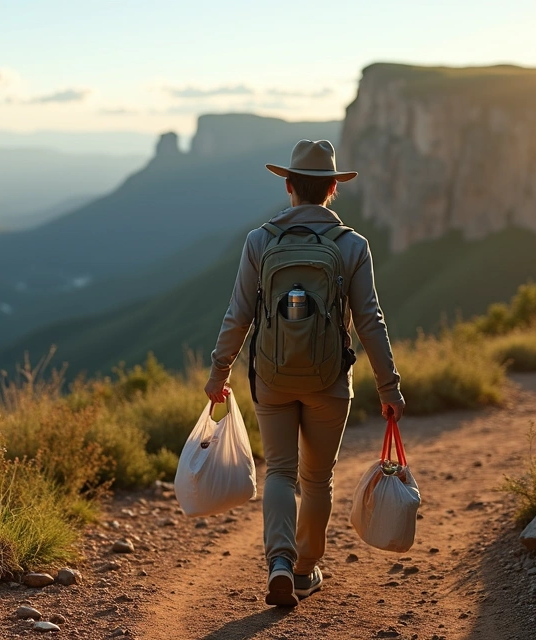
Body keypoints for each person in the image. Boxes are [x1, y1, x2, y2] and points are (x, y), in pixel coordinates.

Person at [204, 139, 404, 607]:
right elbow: (370, 319)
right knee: (317, 480)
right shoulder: (352, 245)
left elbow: (238, 315)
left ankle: (277, 560)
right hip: (329, 382)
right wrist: (389, 385)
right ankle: (304, 569)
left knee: (278, 471)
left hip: (270, 379)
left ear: (289, 186)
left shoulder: (260, 240)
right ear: (333, 188)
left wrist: (219, 373)